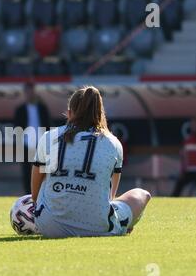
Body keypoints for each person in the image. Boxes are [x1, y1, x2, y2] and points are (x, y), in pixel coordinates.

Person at [11, 86, 151, 238]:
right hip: (97, 226)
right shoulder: (114, 143)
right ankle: (122, 223)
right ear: (100, 114)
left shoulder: (49, 137)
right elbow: (110, 195)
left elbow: (35, 193)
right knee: (142, 194)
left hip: (49, 226)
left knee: (48, 176)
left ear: (70, 113)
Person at [13, 82, 51, 194]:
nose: (30, 94)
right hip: (26, 143)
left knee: (43, 169)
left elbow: (48, 124)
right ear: (25, 93)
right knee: (26, 170)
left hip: (41, 143)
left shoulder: (42, 108)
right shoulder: (20, 109)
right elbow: (17, 128)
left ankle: (42, 192)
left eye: (32, 91)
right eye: (27, 91)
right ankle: (28, 193)